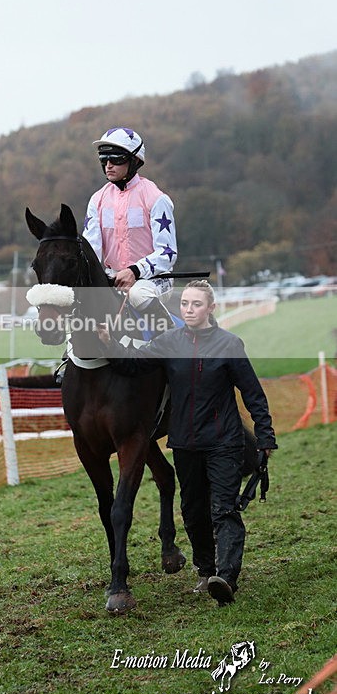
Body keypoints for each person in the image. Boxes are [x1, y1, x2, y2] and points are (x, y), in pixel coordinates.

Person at [97, 280, 277, 606]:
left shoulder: (229, 345)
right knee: (193, 513)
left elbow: (253, 395)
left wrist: (265, 436)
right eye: (185, 305)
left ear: (211, 308)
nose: (189, 310)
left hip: (223, 442)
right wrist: (110, 344)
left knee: (223, 509)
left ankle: (227, 577)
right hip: (184, 444)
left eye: (196, 304)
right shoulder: (168, 342)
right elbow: (132, 364)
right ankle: (207, 572)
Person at [83, 127, 177, 312]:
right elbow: (91, 250)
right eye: (104, 159)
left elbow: (168, 253)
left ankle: (169, 339)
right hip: (113, 278)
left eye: (116, 159)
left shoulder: (156, 199)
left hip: (154, 279)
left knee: (138, 294)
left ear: (135, 160)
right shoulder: (96, 200)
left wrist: (135, 271)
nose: (108, 165)